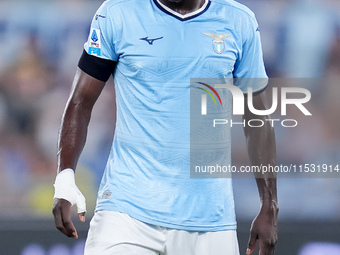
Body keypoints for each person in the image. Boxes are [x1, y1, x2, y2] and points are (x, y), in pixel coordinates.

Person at [52, 0, 278, 254]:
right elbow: (80, 101)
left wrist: (269, 204)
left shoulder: (239, 20)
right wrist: (65, 177)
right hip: (127, 213)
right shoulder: (117, 14)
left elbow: (257, 118)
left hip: (210, 219)